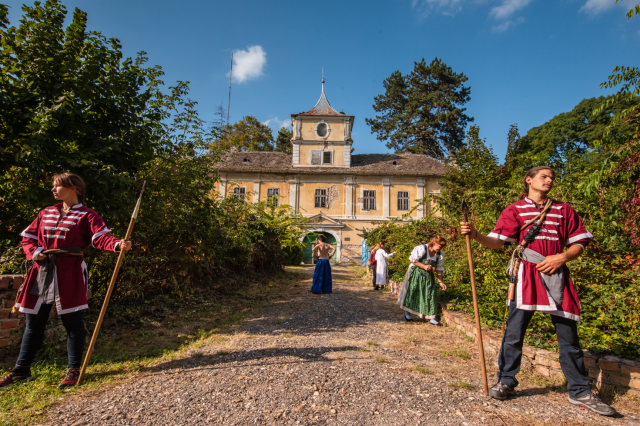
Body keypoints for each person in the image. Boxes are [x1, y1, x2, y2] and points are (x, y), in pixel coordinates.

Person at [460, 166, 615, 417]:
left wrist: (562, 257)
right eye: (544, 176)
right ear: (529, 180)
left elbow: (579, 243)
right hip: (526, 275)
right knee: (514, 332)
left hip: (557, 272)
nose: (549, 180)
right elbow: (498, 243)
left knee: (569, 336)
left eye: (551, 177)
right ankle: (506, 381)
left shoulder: (563, 210)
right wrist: (475, 234)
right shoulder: (515, 210)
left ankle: (579, 390)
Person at [0, 173, 132, 390]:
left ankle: (74, 369)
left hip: (69, 271)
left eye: (57, 186)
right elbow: (28, 238)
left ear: (73, 188)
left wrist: (117, 245)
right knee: (34, 323)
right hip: (42, 269)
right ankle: (21, 370)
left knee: (72, 322)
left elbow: (100, 237)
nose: (53, 189)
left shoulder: (88, 215)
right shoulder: (46, 213)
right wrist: (35, 252)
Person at [397, 236, 446, 325]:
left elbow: (439, 269)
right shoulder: (422, 249)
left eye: (442, 247)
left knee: (430, 294)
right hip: (415, 273)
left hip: (428, 276)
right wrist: (424, 266)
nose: (441, 248)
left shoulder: (440, 254)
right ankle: (407, 313)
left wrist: (440, 282)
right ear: (434, 243)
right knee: (413, 292)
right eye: (440, 246)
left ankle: (432, 318)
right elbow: (412, 260)